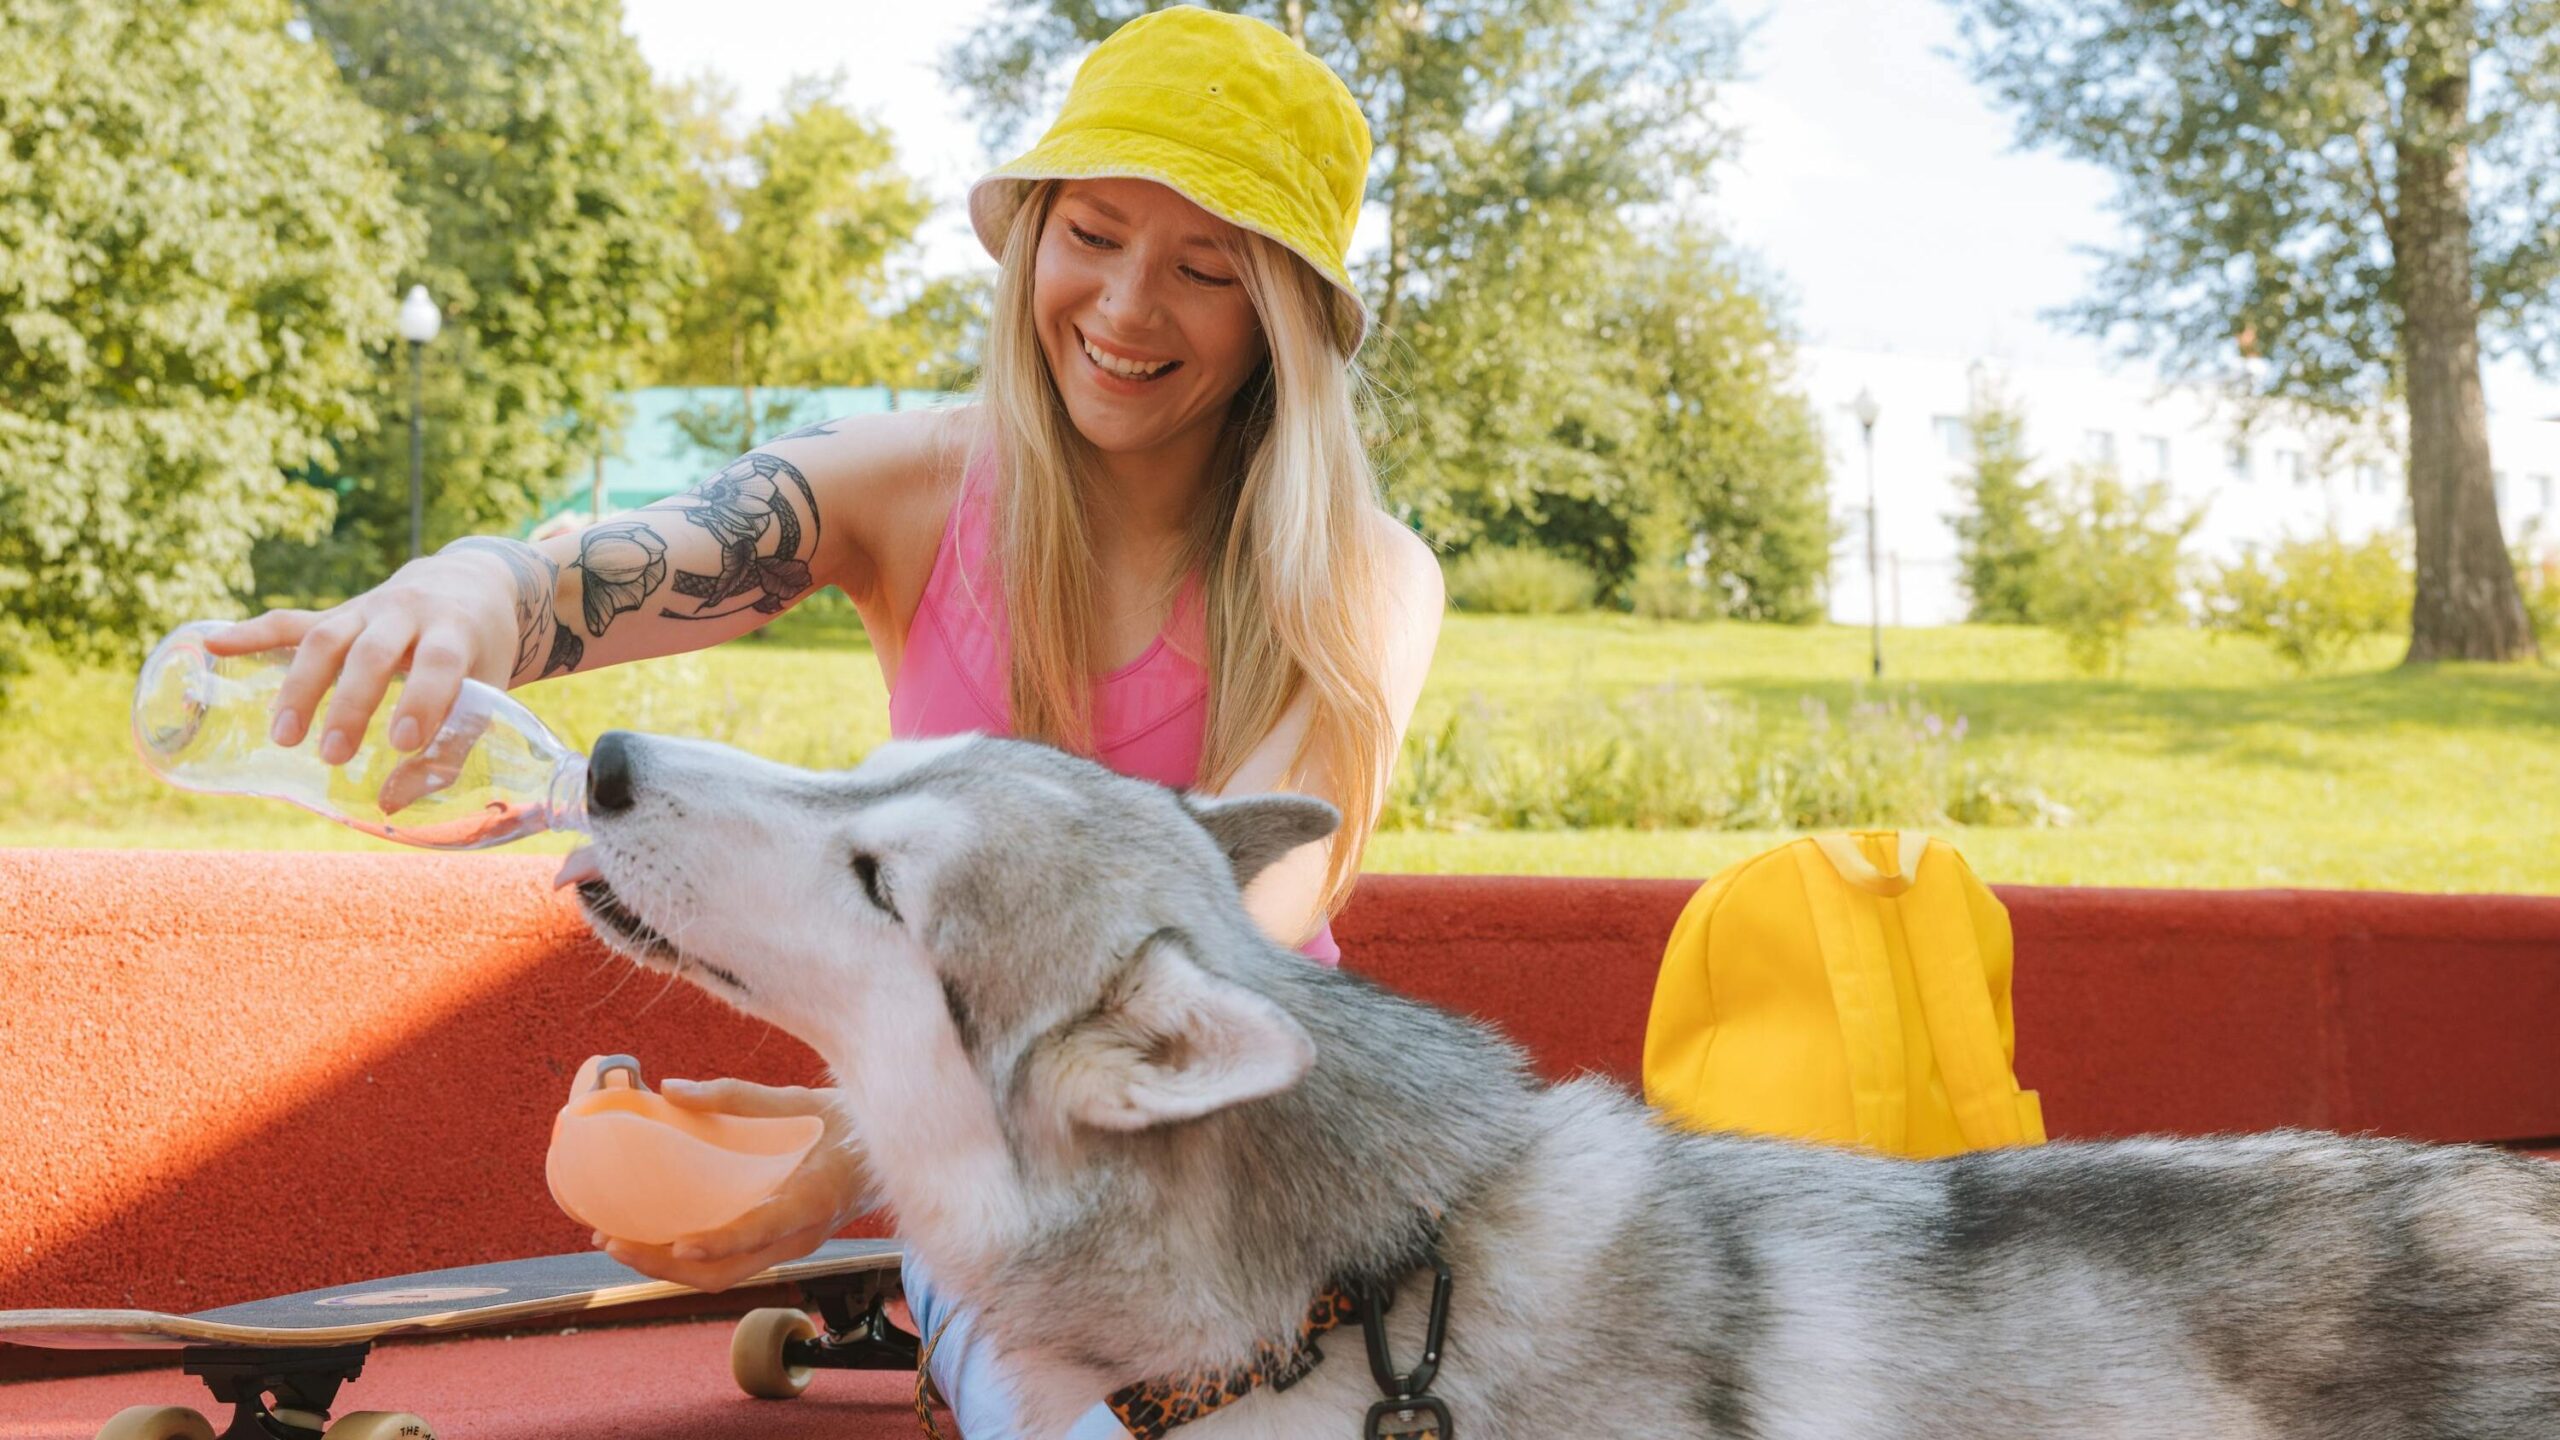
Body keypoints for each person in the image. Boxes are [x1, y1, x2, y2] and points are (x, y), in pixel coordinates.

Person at [213, 8, 1438, 1435]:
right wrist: (473, 589)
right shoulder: (907, 485)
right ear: (1033, 234)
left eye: (1206, 269)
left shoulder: (1364, 575)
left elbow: (1245, 930)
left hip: (1279, 1140)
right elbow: (641, 556)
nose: (1125, 307)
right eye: (1093, 234)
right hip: (1015, 1191)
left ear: (1279, 316)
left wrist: (856, 1142)